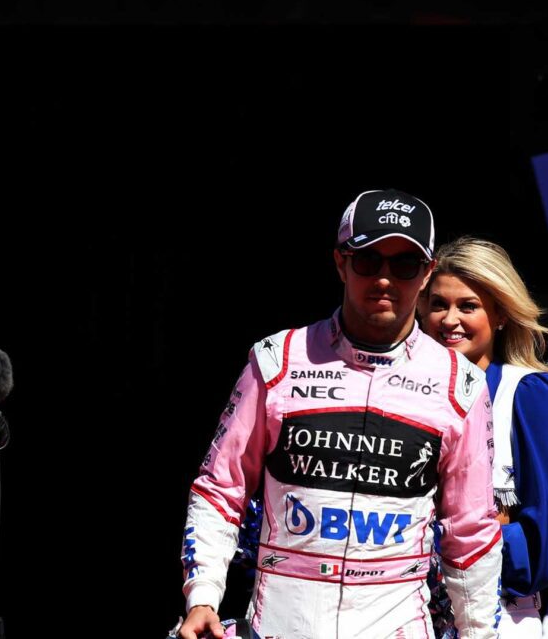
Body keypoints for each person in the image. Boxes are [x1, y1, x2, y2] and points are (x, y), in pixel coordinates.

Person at [178, 189, 503, 639]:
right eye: (368, 260)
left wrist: (480, 633)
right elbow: (220, 489)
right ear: (340, 263)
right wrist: (203, 597)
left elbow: (472, 531)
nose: (385, 278)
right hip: (279, 626)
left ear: (427, 273)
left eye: (405, 265)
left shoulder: (462, 383)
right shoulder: (276, 360)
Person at [420, 236, 548, 637]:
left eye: (468, 306)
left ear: (501, 315)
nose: (449, 319)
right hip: (397, 613)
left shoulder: (528, 394)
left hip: (498, 614)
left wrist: (442, 540)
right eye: (438, 304)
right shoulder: (395, 394)